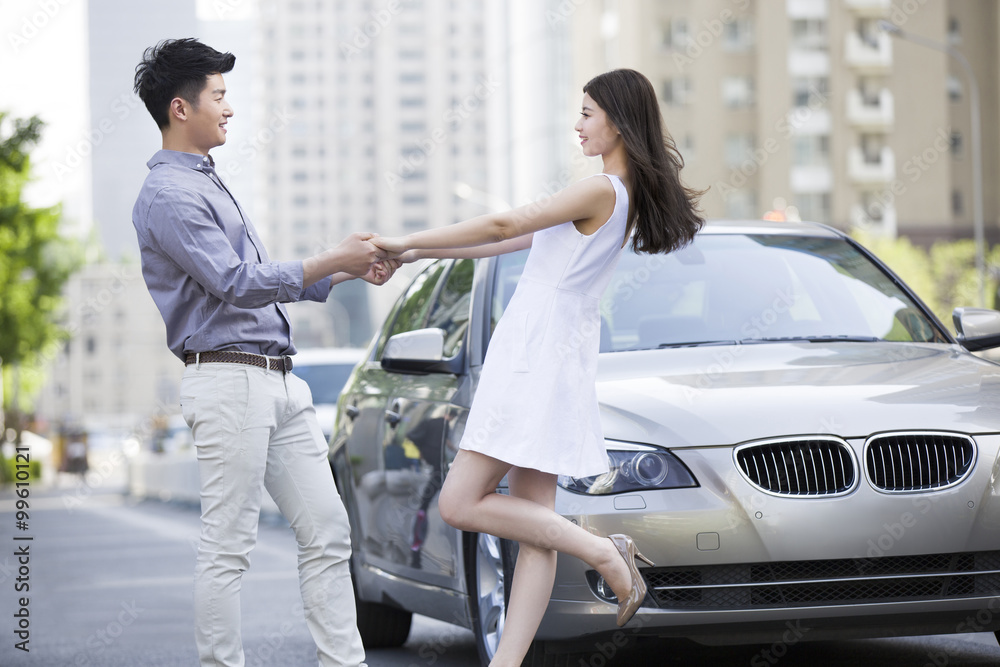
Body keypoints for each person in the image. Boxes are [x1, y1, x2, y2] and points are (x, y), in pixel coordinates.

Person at [373, 68, 704, 666]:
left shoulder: (601, 189)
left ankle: (605, 553)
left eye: (586, 113)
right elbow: (503, 243)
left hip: (535, 355)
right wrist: (415, 252)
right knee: (534, 525)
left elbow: (505, 223)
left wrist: (402, 237)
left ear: (618, 121)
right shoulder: (613, 194)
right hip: (554, 354)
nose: (576, 124)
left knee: (458, 503)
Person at [131, 38, 394, 667]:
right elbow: (236, 283)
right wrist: (334, 257)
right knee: (228, 546)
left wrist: (351, 270)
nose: (229, 109)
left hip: (277, 382)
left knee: (328, 532)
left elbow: (255, 280)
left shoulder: (206, 184)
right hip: (228, 381)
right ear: (179, 107)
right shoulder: (171, 195)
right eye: (218, 96)